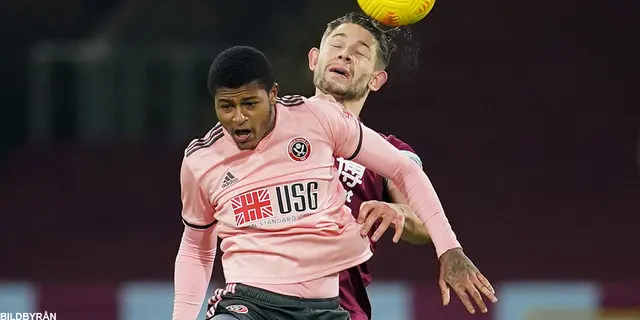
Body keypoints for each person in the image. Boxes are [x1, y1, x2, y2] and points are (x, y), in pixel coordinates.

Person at [173, 45, 491, 320]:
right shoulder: (202, 161)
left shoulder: (317, 119)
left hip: (324, 308)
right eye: (226, 106)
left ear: (272, 94)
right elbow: (195, 248)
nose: (238, 118)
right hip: (250, 304)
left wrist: (449, 248)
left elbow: (403, 169)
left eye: (250, 104)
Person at [306, 13, 432, 319]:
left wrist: (398, 211)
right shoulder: (272, 124)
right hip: (263, 301)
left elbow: (427, 224)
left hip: (339, 309)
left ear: (376, 79)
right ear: (314, 59)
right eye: (336, 45)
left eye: (360, 52)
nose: (344, 54)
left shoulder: (390, 151)